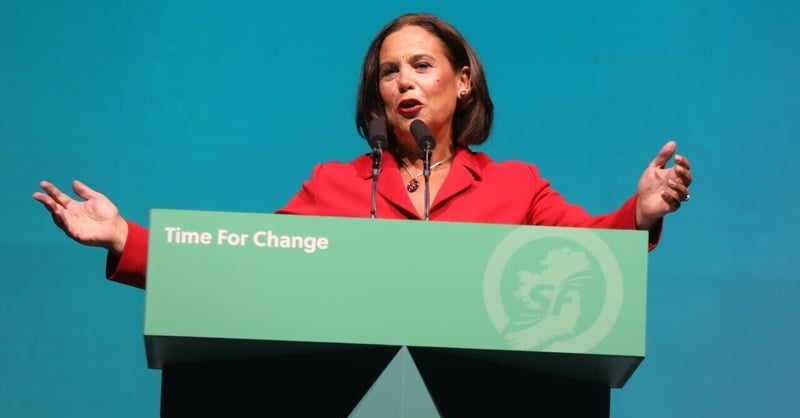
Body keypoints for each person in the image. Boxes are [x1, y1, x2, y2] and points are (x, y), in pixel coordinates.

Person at [33, 12, 692, 291]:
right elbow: (244, 271)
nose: (403, 80)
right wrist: (125, 238)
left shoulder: (516, 186)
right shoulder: (338, 186)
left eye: (422, 65)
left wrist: (642, 210)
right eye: (388, 71)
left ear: (463, 81)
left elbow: (590, 253)